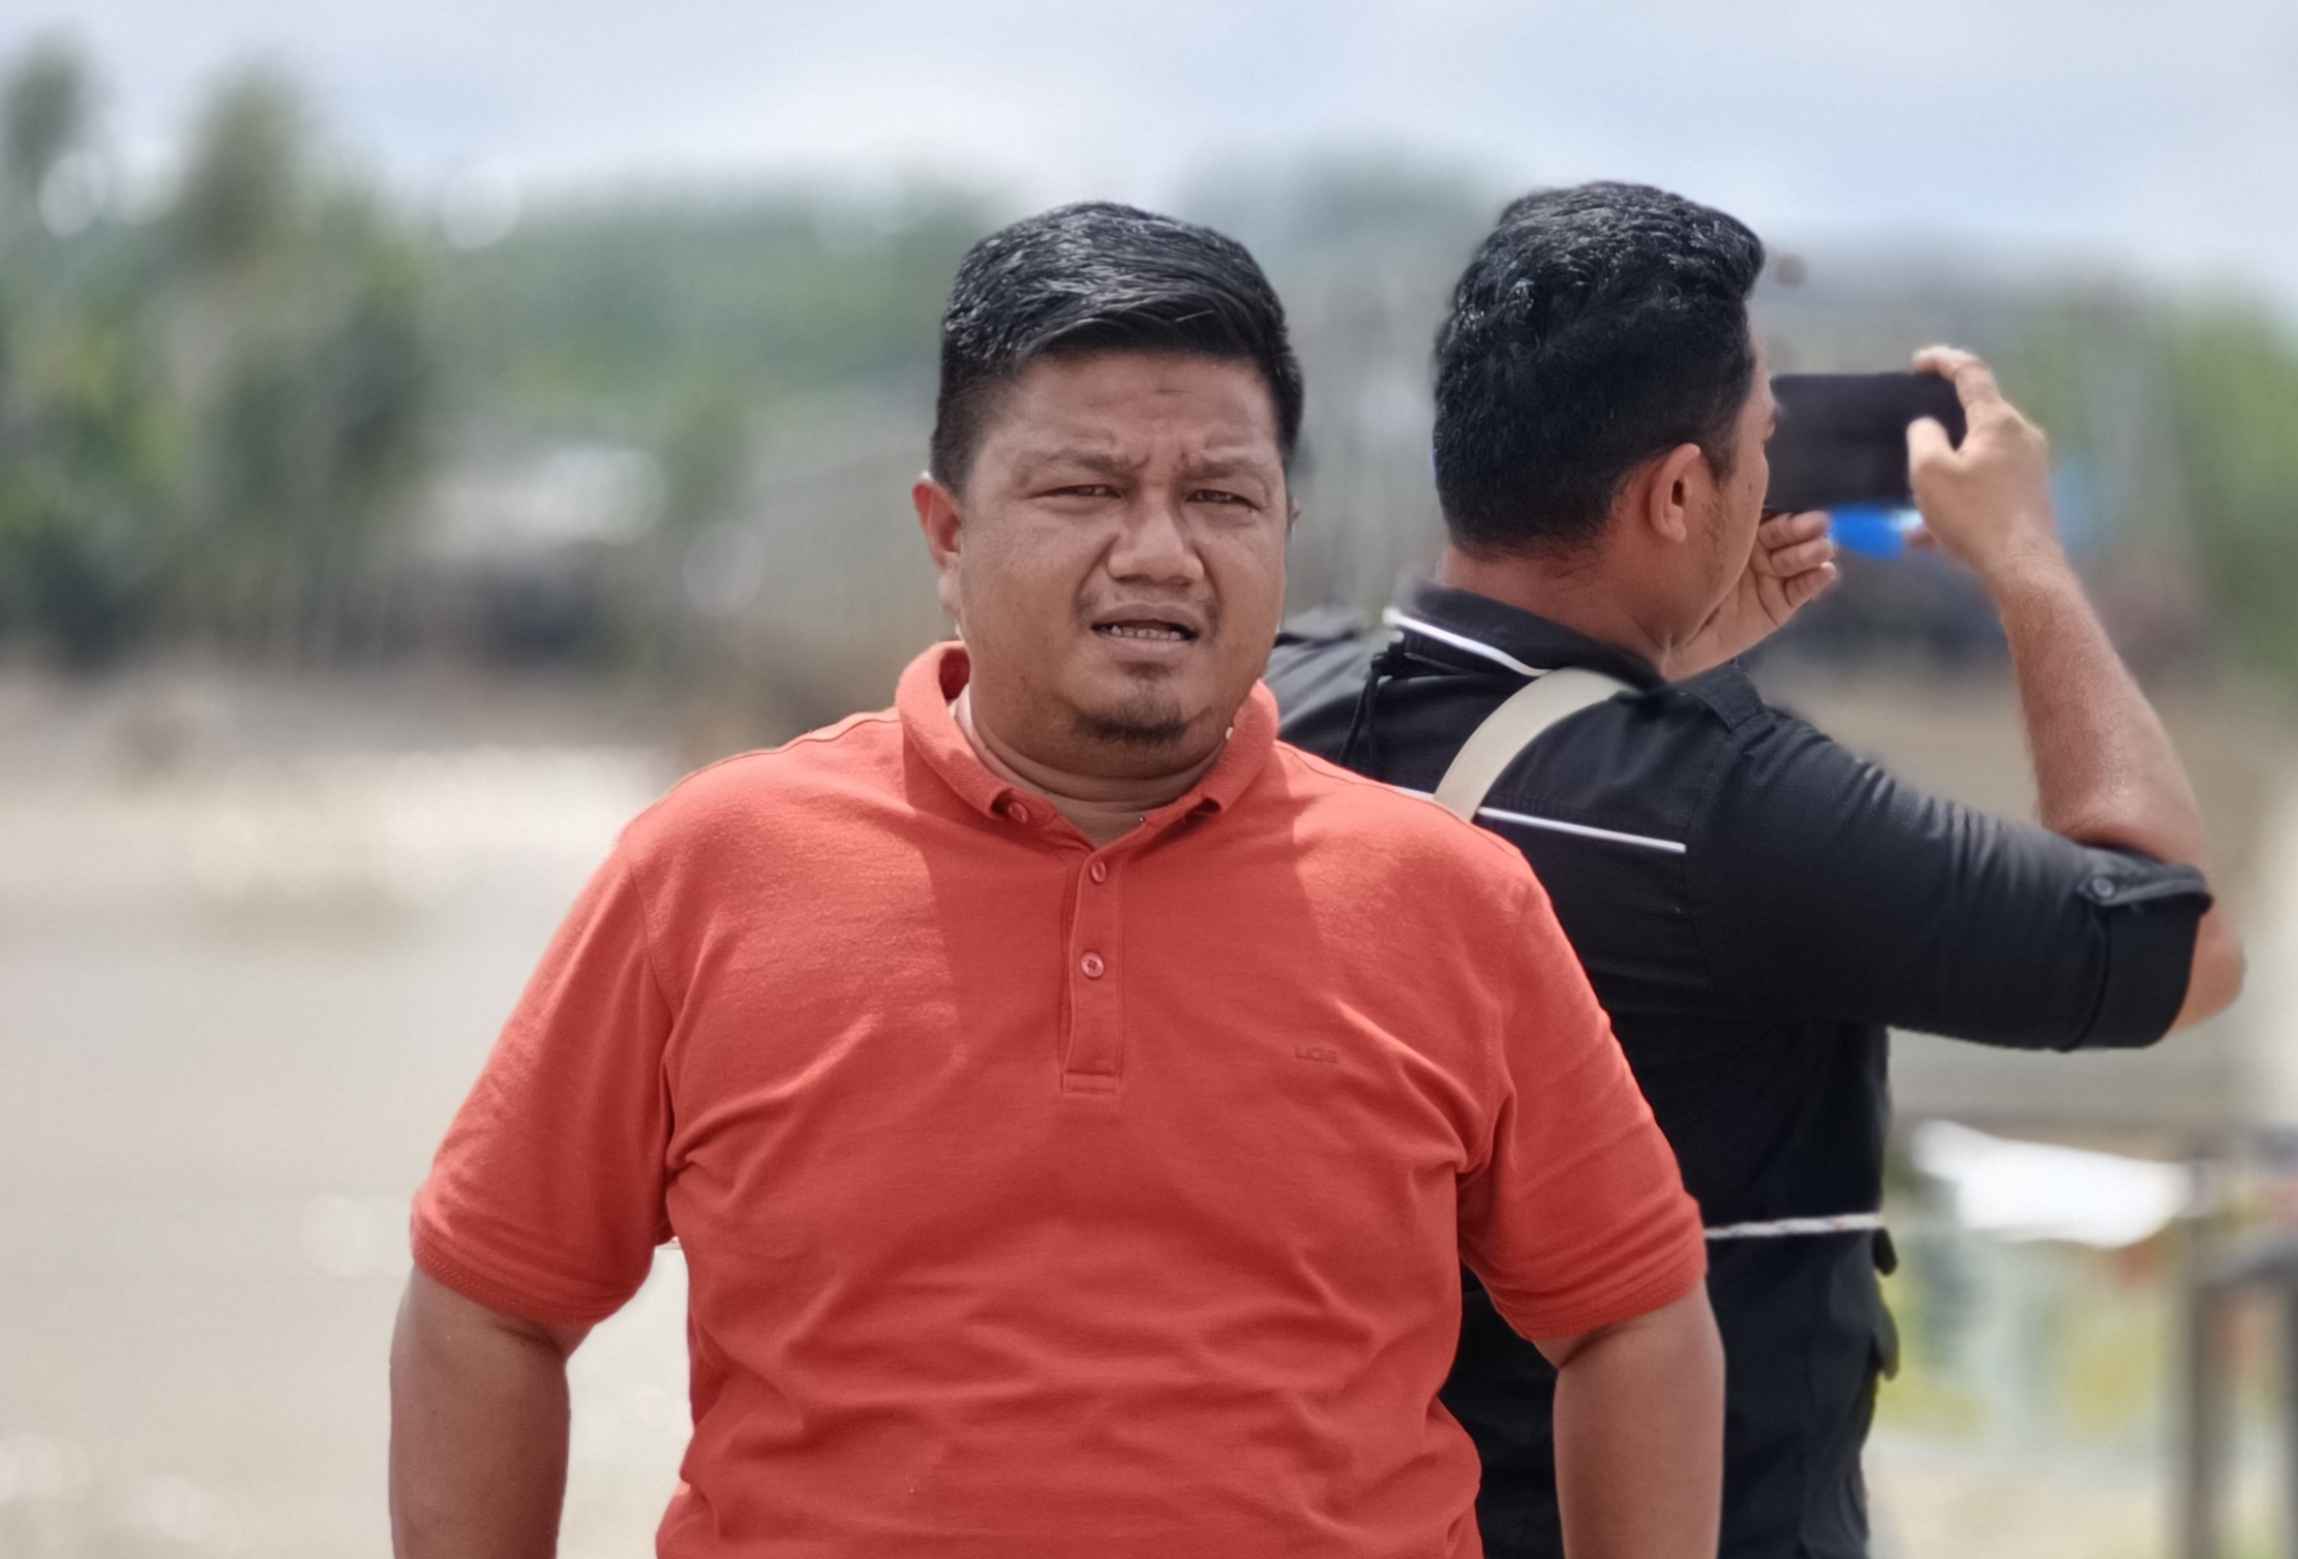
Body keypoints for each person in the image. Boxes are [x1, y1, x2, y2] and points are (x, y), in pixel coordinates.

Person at [389, 199, 1724, 1559]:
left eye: (1221, 497)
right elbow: (492, 1300)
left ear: (1285, 527)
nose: (1158, 551)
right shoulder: (712, 871)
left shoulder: (1450, 902)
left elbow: (1632, 1317)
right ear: (946, 534)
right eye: (1085, 491)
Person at [1270, 181, 2246, 1559]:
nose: (1771, 469)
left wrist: (1639, 673)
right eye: (1761, 442)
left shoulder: (1281, 710)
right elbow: (2173, 943)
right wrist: (2027, 561)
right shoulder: (1731, 809)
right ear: (1679, 493)